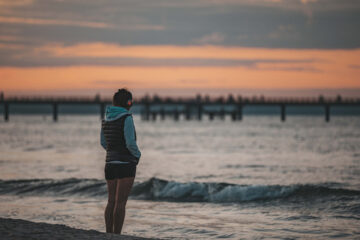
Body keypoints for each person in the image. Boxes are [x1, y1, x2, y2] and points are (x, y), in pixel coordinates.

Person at [100, 88, 141, 234]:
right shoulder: (127, 118)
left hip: (110, 164)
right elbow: (130, 143)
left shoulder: (106, 119)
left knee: (111, 201)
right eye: (131, 101)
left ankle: (108, 233)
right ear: (128, 102)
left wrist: (113, 154)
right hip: (126, 164)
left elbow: (104, 143)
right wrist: (137, 155)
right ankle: (117, 234)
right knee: (121, 203)